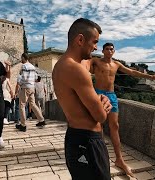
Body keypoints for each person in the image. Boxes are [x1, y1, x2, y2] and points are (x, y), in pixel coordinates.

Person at [88, 42, 155, 177]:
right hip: (98, 94)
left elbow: (132, 72)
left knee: (114, 125)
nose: (110, 51)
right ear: (103, 51)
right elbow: (84, 67)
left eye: (112, 49)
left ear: (114, 51)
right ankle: (98, 156)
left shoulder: (116, 64)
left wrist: (151, 77)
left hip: (112, 95)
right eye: (107, 49)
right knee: (98, 125)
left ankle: (119, 159)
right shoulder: (96, 61)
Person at [52, 18, 112, 180]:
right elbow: (100, 116)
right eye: (94, 42)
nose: (96, 47)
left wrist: (96, 97)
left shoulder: (59, 66)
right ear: (80, 40)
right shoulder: (76, 69)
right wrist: (103, 104)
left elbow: (77, 98)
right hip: (89, 143)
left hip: (74, 138)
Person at [15, 53, 45, 132]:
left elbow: (24, 78)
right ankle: (41, 120)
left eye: (21, 58)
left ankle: (23, 125)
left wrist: (19, 83)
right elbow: (36, 77)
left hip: (25, 87)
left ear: (24, 58)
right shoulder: (32, 66)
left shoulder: (24, 66)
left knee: (22, 105)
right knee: (33, 104)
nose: (21, 59)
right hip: (32, 87)